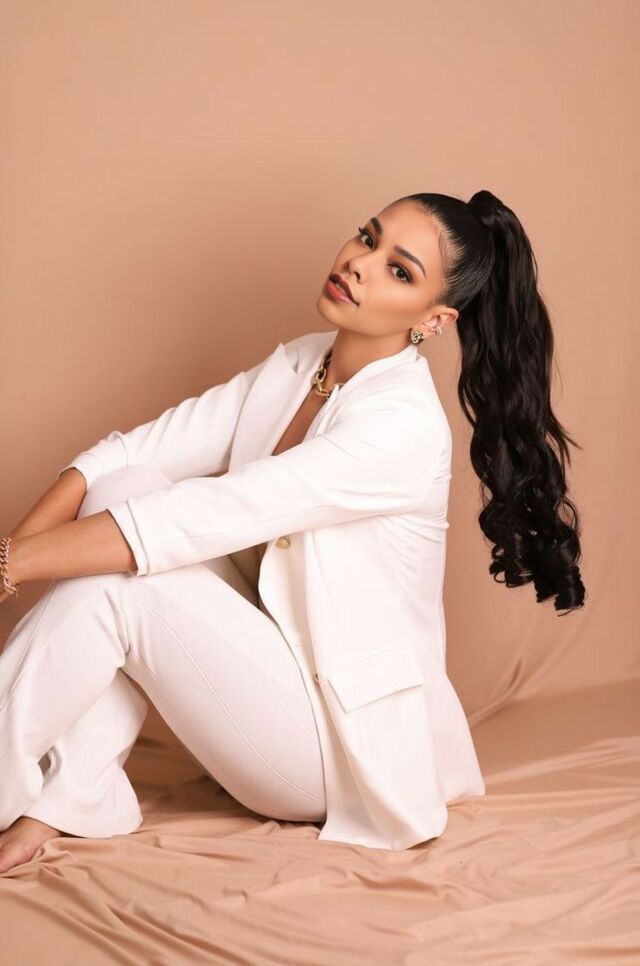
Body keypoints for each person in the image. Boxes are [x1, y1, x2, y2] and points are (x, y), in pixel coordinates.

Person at [0, 190, 585, 871]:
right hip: (264, 665)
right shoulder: (305, 363)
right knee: (124, 489)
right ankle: (71, 795)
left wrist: (11, 563)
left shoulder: (400, 426)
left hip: (334, 746)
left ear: (433, 319)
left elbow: (207, 515)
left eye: (399, 271)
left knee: (125, 582)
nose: (360, 263)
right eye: (367, 237)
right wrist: (10, 558)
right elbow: (128, 455)